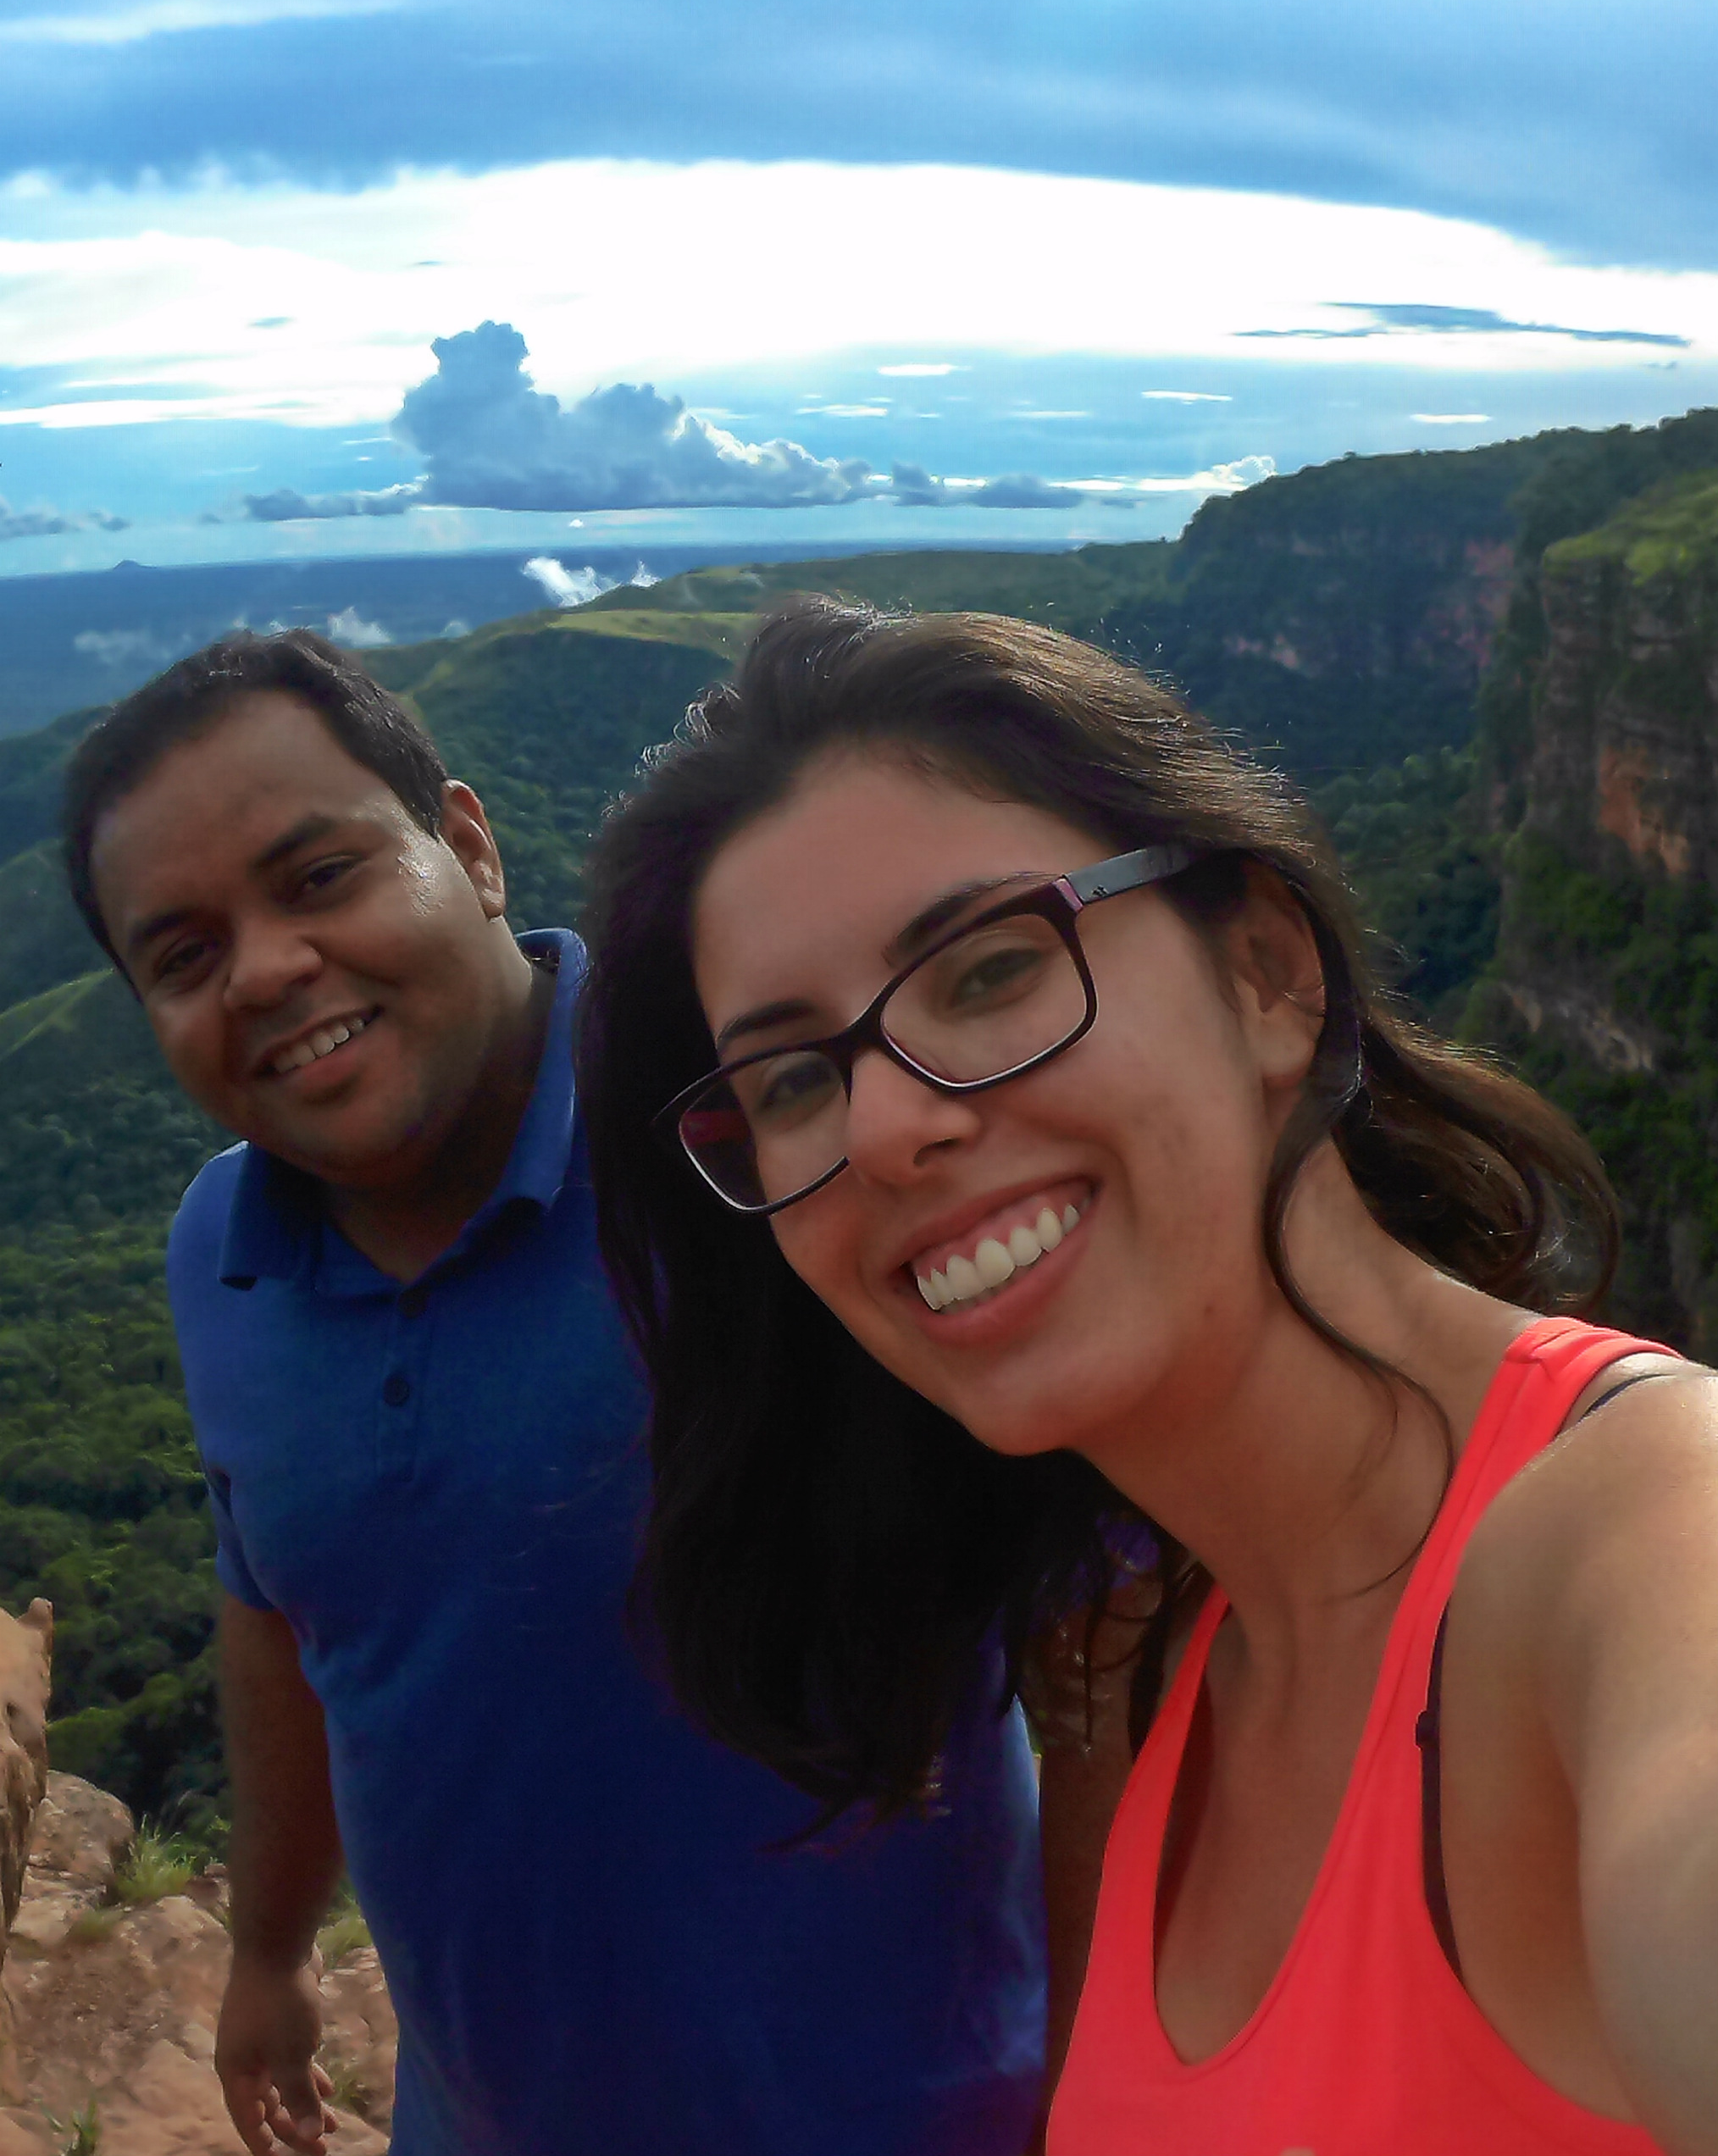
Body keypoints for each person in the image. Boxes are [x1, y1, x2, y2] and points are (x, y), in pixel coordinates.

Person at [574, 596, 1718, 2153]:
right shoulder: (1166, 1663)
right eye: (791, 1080)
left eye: (988, 970)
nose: (887, 1126)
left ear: (1266, 972)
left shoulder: (1638, 1537)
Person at [61, 630, 1061, 2156]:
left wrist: (1122, 2064)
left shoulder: (751, 1136)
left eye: (321, 874)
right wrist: (268, 1948)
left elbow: (1099, 1614)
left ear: (468, 845)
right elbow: (286, 1610)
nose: (264, 967)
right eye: (185, 956)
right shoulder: (221, 1252)